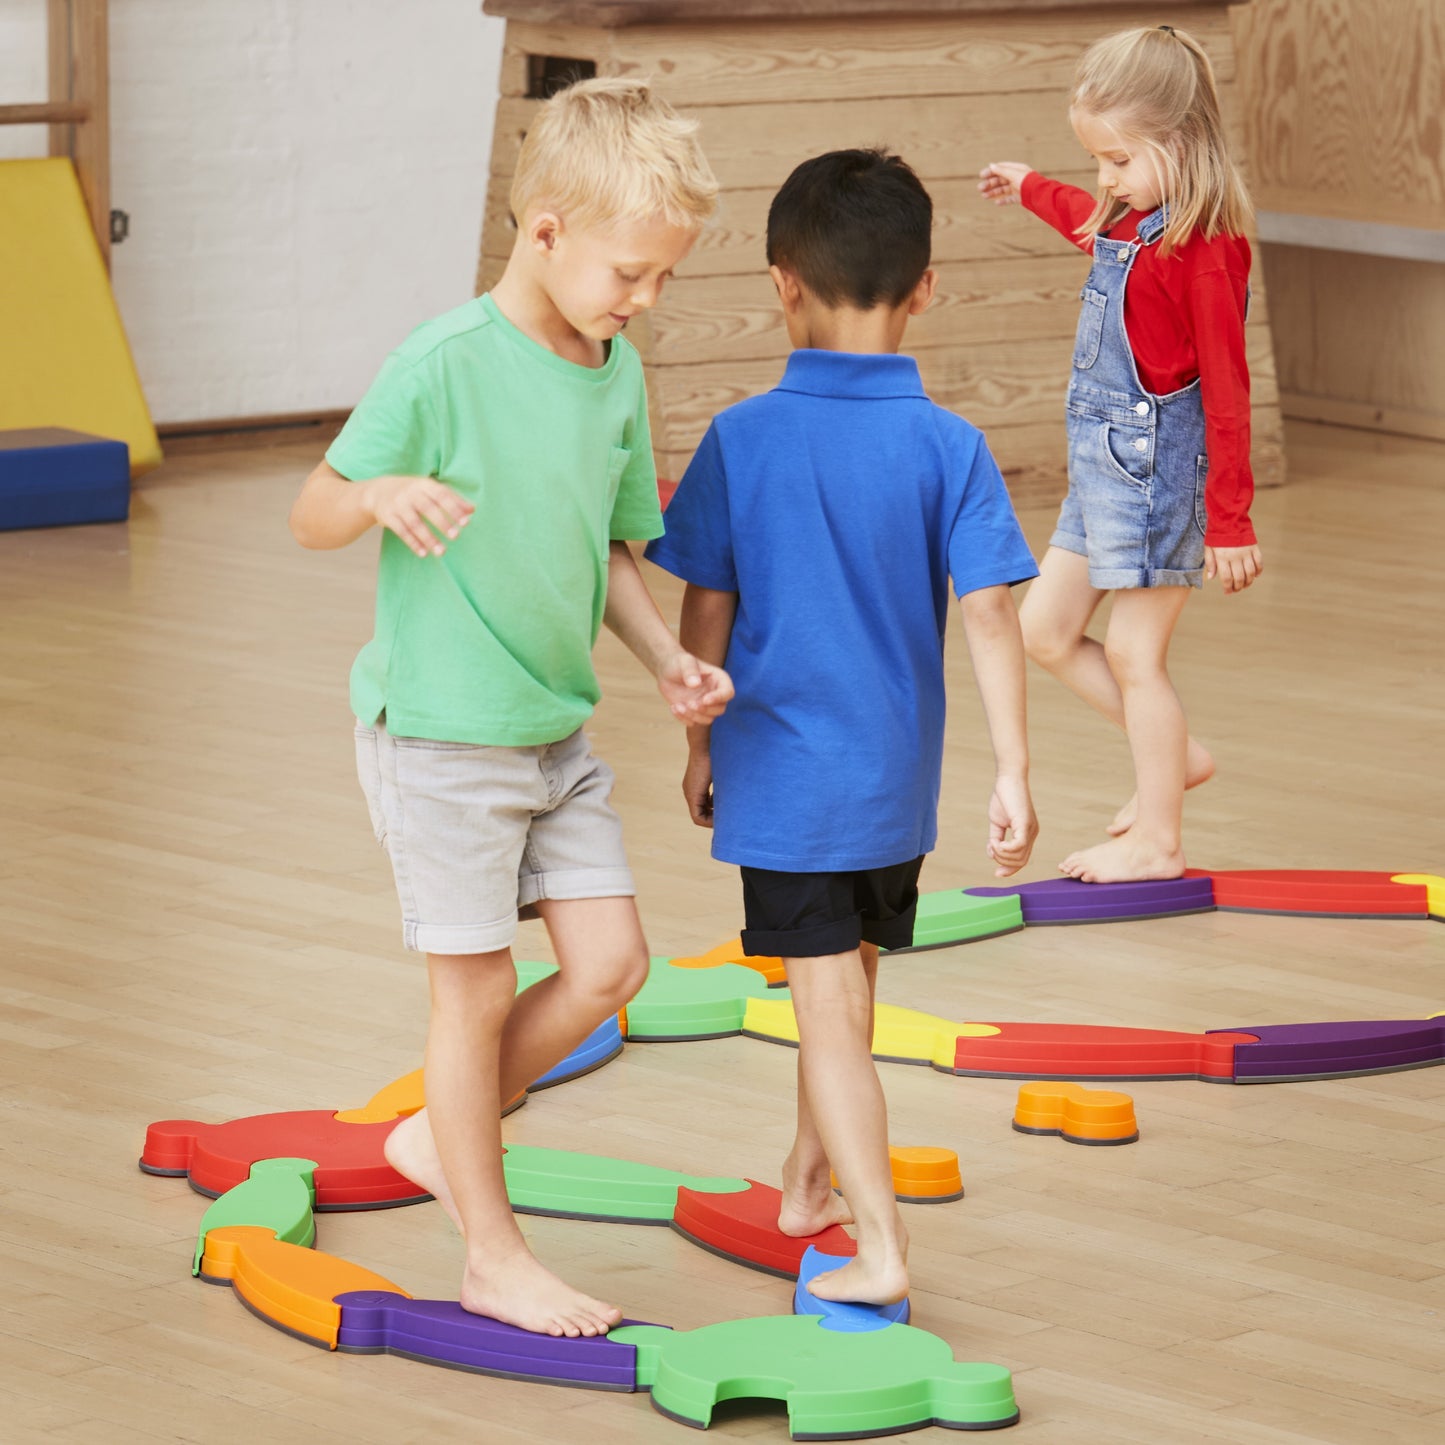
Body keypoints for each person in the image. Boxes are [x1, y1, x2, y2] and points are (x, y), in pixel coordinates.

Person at [288, 78, 731, 1338]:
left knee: (611, 966)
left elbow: (610, 553)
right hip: (441, 736)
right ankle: (491, 1252)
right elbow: (312, 509)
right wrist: (376, 496)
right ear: (544, 229)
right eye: (630, 273)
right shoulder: (441, 363)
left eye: (662, 277)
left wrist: (664, 659)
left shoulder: (614, 371)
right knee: (474, 990)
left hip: (553, 731)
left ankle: (442, 1134)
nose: (645, 299)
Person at [645, 149, 1038, 1308]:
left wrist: (697, 745)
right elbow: (992, 612)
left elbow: (704, 604)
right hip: (893, 785)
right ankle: (806, 1179)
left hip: (789, 783)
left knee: (825, 1010)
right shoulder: (950, 445)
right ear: (925, 288)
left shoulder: (741, 437)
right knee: (848, 981)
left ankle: (878, 1240)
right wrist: (1013, 768)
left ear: (781, 283)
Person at [979, 24, 1263, 884]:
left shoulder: (1204, 252)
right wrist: (1030, 185)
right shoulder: (1135, 221)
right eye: (1096, 160)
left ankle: (1158, 839)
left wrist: (1230, 520)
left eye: (1117, 160)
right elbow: (1089, 226)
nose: (1104, 179)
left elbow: (1228, 391)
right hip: (1102, 468)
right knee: (1043, 630)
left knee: (1137, 657)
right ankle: (1173, 754)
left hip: (1156, 473)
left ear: (1179, 142)